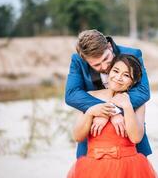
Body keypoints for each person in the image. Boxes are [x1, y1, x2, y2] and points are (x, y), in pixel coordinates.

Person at [65, 29, 152, 158]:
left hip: (128, 135)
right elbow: (72, 94)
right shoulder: (78, 60)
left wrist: (111, 110)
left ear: (109, 46)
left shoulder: (132, 54)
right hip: (93, 137)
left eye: (106, 58)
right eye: (96, 65)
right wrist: (104, 111)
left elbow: (142, 91)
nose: (105, 66)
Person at [67, 54, 157, 177]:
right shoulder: (89, 96)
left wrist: (127, 107)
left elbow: (136, 138)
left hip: (128, 166)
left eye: (126, 75)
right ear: (109, 71)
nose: (118, 77)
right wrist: (91, 112)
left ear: (133, 81)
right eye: (116, 71)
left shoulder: (136, 103)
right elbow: (78, 137)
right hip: (94, 166)